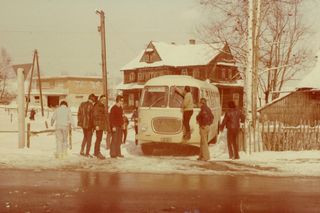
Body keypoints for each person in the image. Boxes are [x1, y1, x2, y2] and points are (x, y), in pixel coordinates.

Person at [92, 95, 109, 160]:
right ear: (101, 99)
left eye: (105, 99)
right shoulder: (98, 105)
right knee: (98, 139)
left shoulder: (102, 105)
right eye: (103, 99)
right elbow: (95, 116)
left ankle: (96, 152)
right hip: (98, 125)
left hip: (101, 125)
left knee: (99, 139)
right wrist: (96, 125)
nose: (104, 101)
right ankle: (97, 152)